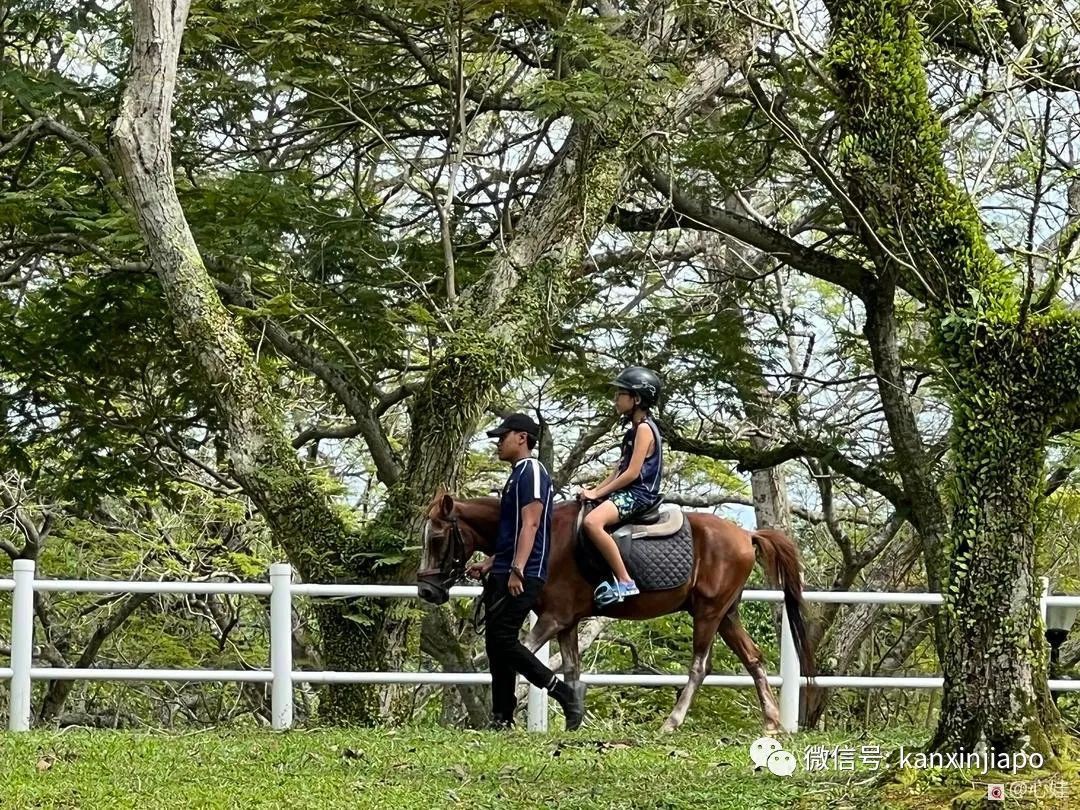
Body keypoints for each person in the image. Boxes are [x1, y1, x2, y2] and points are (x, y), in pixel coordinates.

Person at [466, 412, 586, 730]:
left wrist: (517, 569)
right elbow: (514, 530)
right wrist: (491, 562)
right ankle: (502, 717)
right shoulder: (516, 474)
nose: (497, 444)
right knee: (496, 644)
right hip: (507, 569)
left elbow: (532, 523)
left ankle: (563, 694)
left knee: (504, 641)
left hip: (524, 572)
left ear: (521, 438)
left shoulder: (531, 471)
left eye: (502, 437)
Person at [579, 366, 664, 602]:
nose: (615, 399)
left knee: (592, 522)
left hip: (639, 495)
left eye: (621, 394)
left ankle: (625, 582)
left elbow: (631, 474)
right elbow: (618, 470)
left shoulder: (645, 430)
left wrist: (599, 493)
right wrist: (594, 491)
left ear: (636, 399)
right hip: (628, 490)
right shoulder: (632, 432)